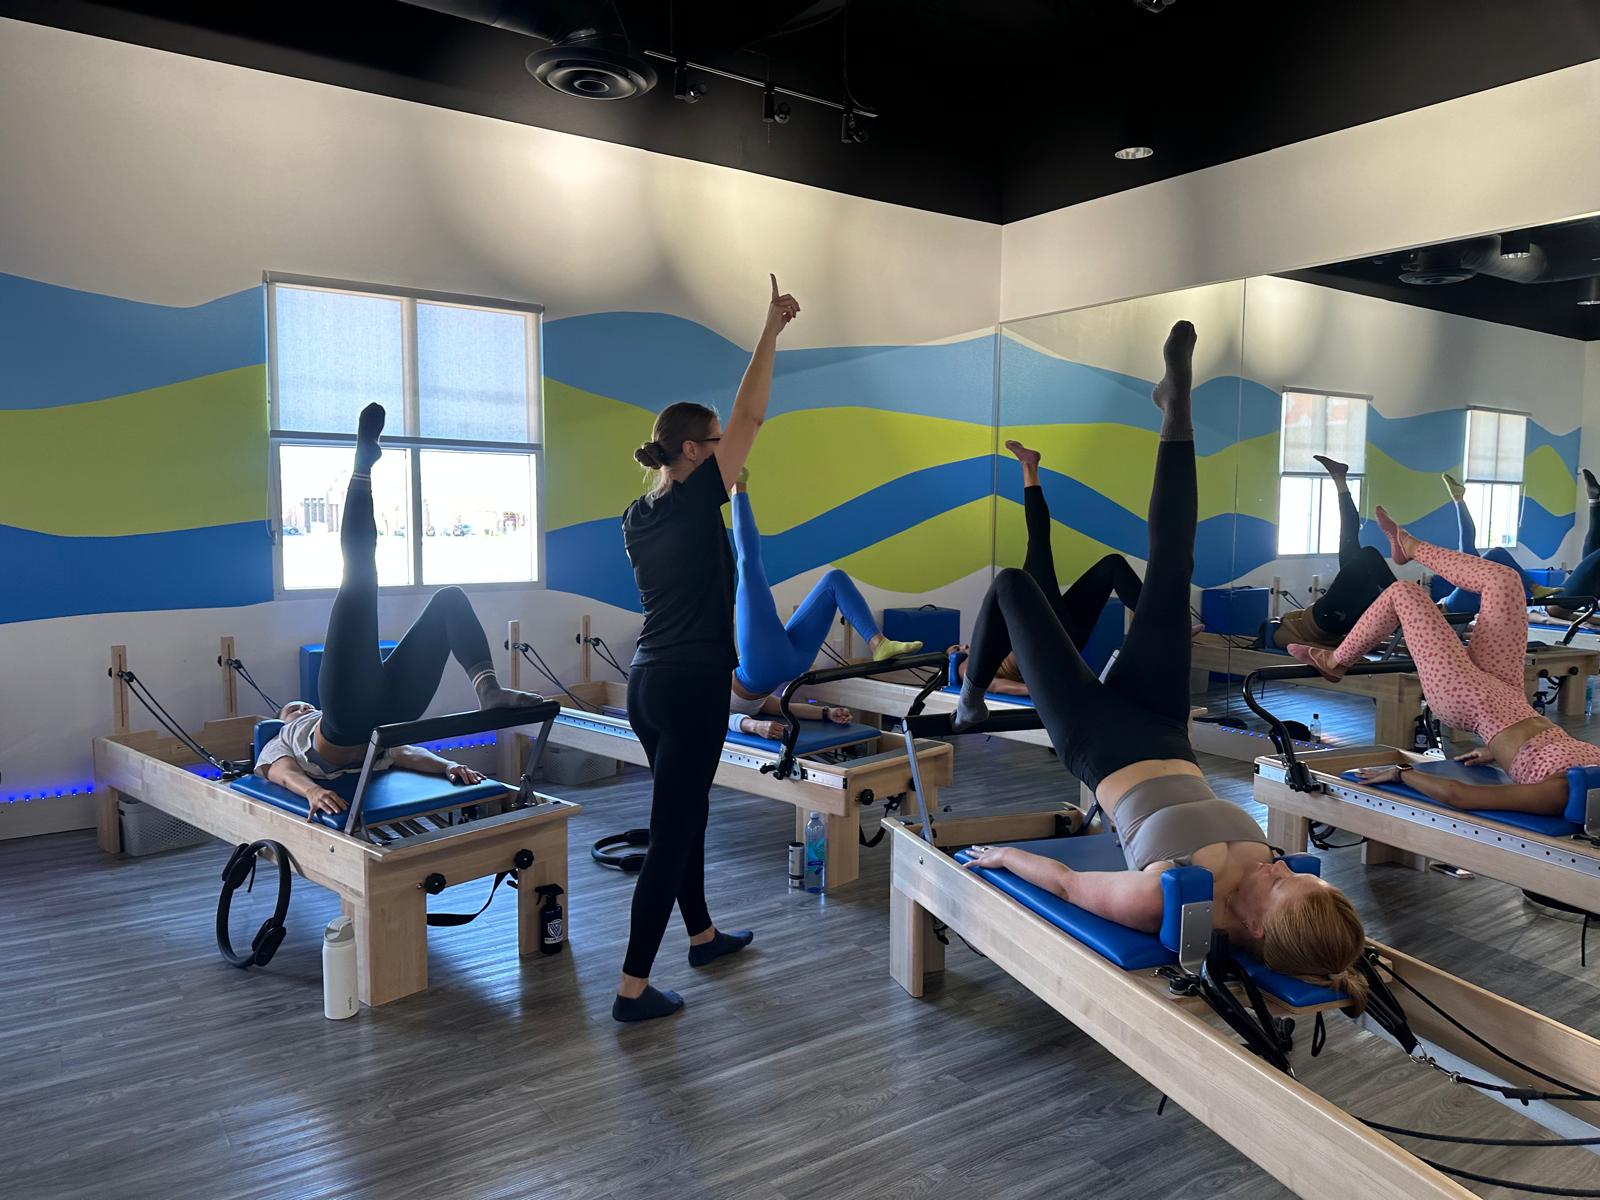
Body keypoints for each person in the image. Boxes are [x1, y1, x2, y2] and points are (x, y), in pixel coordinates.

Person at [955, 321, 1369, 1009]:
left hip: (1099, 741)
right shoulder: (1275, 887)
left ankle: (970, 696)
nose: (1279, 867)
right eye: (1303, 875)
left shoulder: (1165, 894)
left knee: (1013, 586)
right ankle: (1175, 412)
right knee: (1172, 567)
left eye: (1283, 881)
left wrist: (1000, 857)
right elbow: (1329, 949)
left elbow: (1063, 884)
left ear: (1260, 924)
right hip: (1163, 723)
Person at [614, 275, 800, 1023]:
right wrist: (770, 329)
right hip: (690, 687)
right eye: (717, 441)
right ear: (693, 450)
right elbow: (754, 409)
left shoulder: (638, 513)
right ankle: (632, 989)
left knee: (682, 815)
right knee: (673, 831)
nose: (731, 445)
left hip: (647, 684)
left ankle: (702, 933)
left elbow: (740, 421)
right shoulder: (694, 500)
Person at [257, 404, 543, 820]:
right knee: (359, 576)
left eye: (299, 706)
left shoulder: (328, 713)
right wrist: (312, 793)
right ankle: (363, 466)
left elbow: (404, 752)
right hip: (351, 720)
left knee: (448, 598)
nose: (299, 709)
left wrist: (448, 765)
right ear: (283, 722)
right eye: (295, 710)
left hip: (386, 713)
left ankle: (488, 691)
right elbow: (281, 773)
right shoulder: (282, 739)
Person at [1289, 509, 1600, 816]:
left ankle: (1334, 661)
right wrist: (1496, 750)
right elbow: (1534, 746)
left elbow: (1460, 795)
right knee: (1504, 580)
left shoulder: (1562, 793)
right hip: (1508, 693)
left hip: (1469, 701)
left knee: (1405, 593)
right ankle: (1409, 547)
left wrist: (1402, 773)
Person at [728, 480, 921, 740]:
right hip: (763, 668)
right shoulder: (693, 696)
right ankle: (738, 486)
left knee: (834, 580)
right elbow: (719, 716)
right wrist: (754, 726)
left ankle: (879, 643)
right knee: (748, 562)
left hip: (788, 665)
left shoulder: (692, 678)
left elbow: (771, 705)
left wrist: (824, 712)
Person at [949, 439, 1145, 693]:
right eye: (956, 650)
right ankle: (1029, 467)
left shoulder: (986, 649)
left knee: (1112, 565)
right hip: (1043, 644)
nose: (962, 647)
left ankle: (1165, 629)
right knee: (1038, 542)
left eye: (958, 646)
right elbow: (996, 686)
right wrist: (1042, 689)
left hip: (1063, 639)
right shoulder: (966, 668)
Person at [1264, 455, 1397, 650]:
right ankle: (1408, 602)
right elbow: (1308, 649)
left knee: (1351, 542)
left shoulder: (1284, 626)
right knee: (1365, 552)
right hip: (1326, 618)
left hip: (1336, 620)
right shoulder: (1274, 633)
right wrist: (1342, 655)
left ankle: (1339, 478)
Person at [1438, 472, 1558, 615]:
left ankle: (1459, 500)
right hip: (1453, 609)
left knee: (1472, 554)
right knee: (1488, 553)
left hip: (1454, 606)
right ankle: (1458, 500)